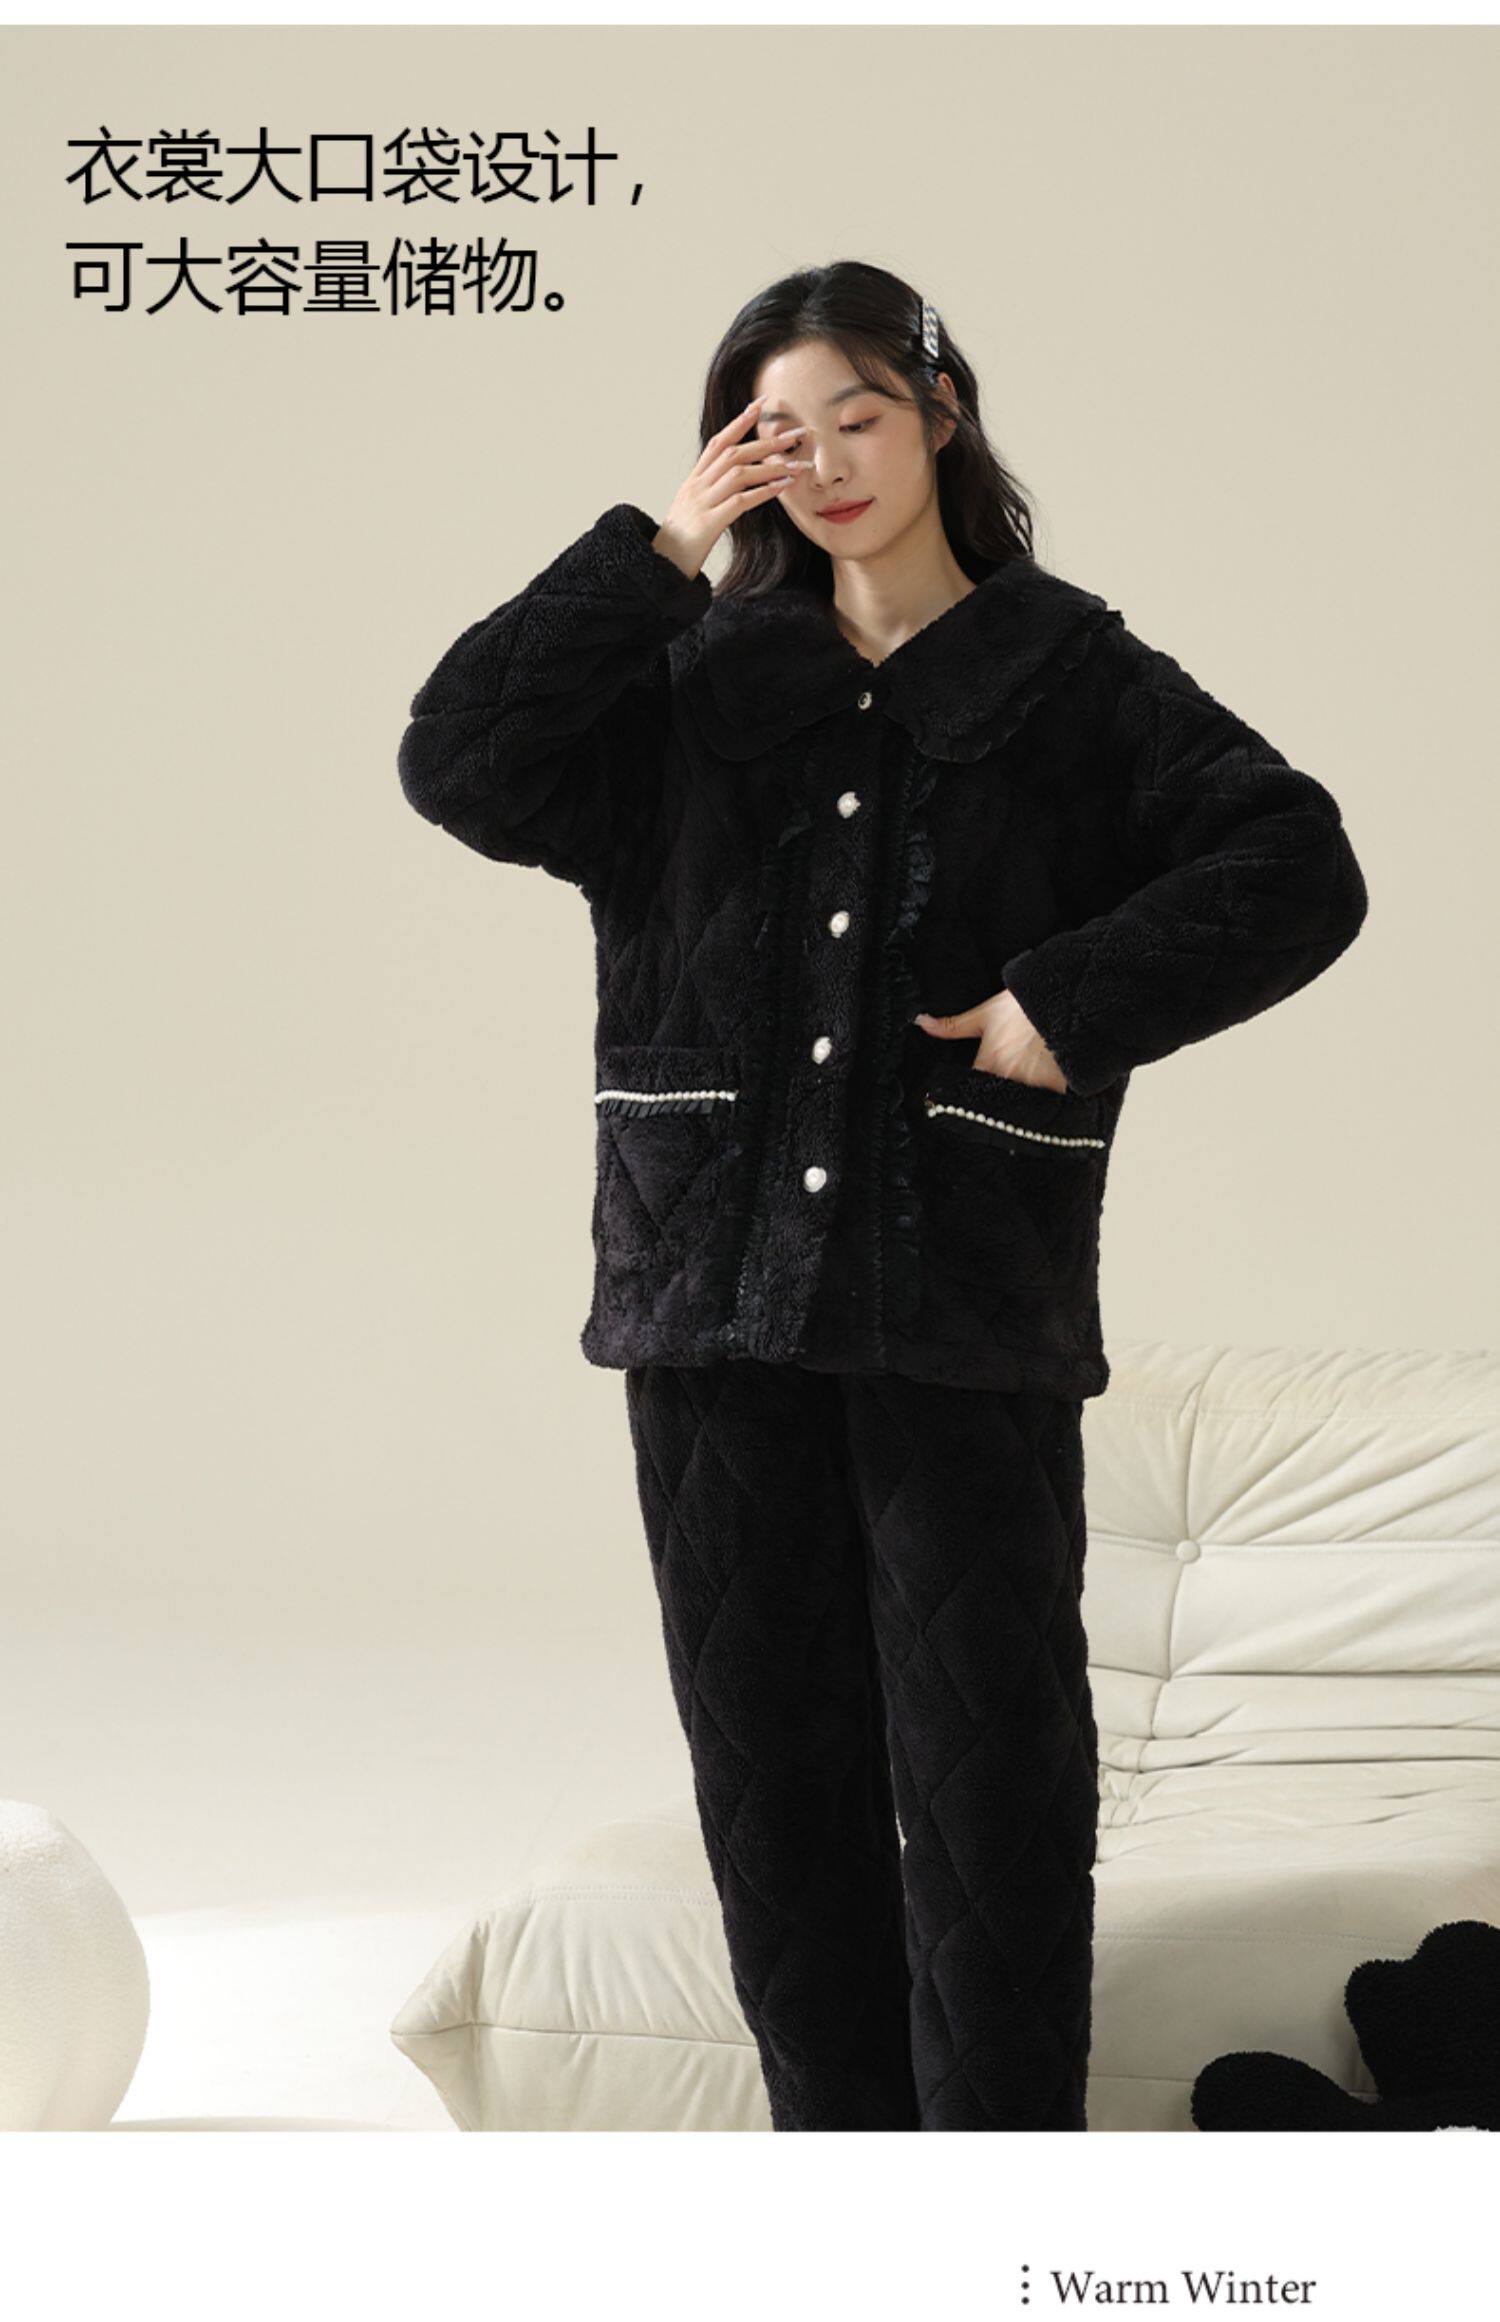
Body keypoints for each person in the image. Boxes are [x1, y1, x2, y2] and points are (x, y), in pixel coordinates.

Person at [396, 259, 1369, 2132]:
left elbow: (1296, 859)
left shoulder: (1067, 679)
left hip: (962, 1300)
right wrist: (656, 550)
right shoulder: (691, 688)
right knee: (777, 1794)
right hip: (708, 1305)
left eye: (859, 416)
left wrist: (1067, 1003)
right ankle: (847, 2198)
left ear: (940, 416)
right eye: (778, 432)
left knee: (995, 1786)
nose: (827, 462)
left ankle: (997, 2199)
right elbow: (458, 756)